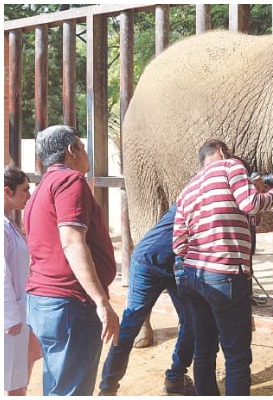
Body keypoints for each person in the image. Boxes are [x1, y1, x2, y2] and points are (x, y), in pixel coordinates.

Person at [173, 139, 273, 396]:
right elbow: (250, 205)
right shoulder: (231, 167)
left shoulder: (187, 189)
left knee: (204, 349)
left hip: (193, 277)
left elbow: (178, 243)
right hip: (225, 276)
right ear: (222, 152)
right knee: (236, 355)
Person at [24, 125, 120, 396]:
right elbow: (71, 241)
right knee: (71, 391)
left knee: (58, 385)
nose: (86, 152)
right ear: (71, 150)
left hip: (44, 301)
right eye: (83, 146)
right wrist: (102, 302)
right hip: (69, 303)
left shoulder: (42, 187)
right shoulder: (70, 181)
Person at [98, 204, 195, 396]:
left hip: (174, 266)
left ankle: (175, 378)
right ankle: (107, 389)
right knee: (129, 325)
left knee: (191, 321)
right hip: (146, 264)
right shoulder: (197, 200)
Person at [4, 166, 41, 396]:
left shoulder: (9, 223)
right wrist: (10, 315)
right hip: (11, 318)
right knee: (12, 380)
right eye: (25, 190)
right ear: (7, 191)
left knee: (24, 364)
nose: (29, 195)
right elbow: (2, 273)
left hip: (19, 310)